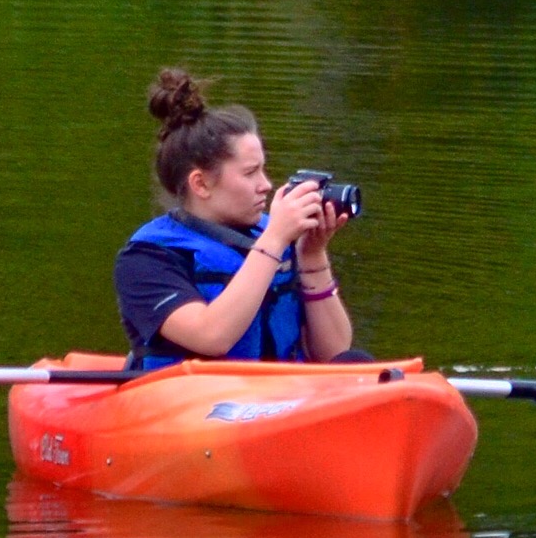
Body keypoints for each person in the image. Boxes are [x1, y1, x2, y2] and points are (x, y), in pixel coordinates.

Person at [119, 68, 359, 371]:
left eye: (263, 169)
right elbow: (212, 336)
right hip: (199, 405)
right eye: (250, 172)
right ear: (201, 184)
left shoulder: (275, 237)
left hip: (284, 398)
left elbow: (335, 353)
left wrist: (311, 256)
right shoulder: (147, 258)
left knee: (356, 363)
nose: (266, 185)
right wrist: (273, 239)